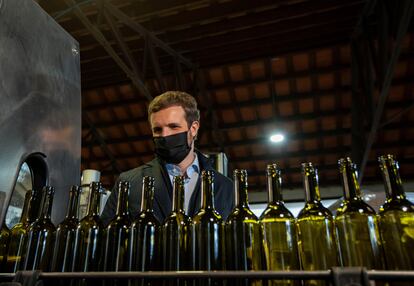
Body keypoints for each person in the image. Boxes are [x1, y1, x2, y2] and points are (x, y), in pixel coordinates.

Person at [101, 91, 234, 225]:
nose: (165, 135)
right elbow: (106, 239)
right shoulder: (129, 183)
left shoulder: (226, 188)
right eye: (158, 130)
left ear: (193, 129)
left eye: (173, 127)